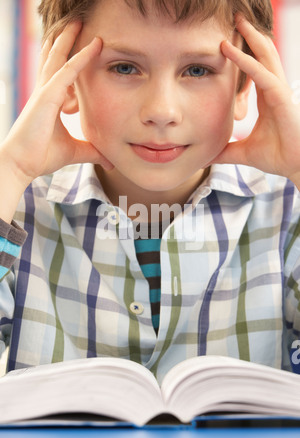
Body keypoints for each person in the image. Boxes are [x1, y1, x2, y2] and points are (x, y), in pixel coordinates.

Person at [0, 0, 300, 384]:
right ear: (65, 80)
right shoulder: (18, 208)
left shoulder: (286, 210)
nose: (162, 110)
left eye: (197, 70)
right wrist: (11, 169)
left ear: (245, 89)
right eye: (124, 67)